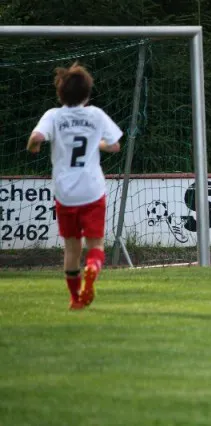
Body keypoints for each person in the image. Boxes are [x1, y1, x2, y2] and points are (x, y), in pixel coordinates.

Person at [27, 62, 122, 310]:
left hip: (65, 193)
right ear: (87, 94)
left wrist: (34, 146)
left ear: (60, 94)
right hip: (92, 190)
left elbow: (36, 137)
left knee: (71, 248)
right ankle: (92, 268)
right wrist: (97, 144)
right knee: (96, 244)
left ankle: (75, 299)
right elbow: (115, 145)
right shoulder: (96, 115)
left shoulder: (53, 116)